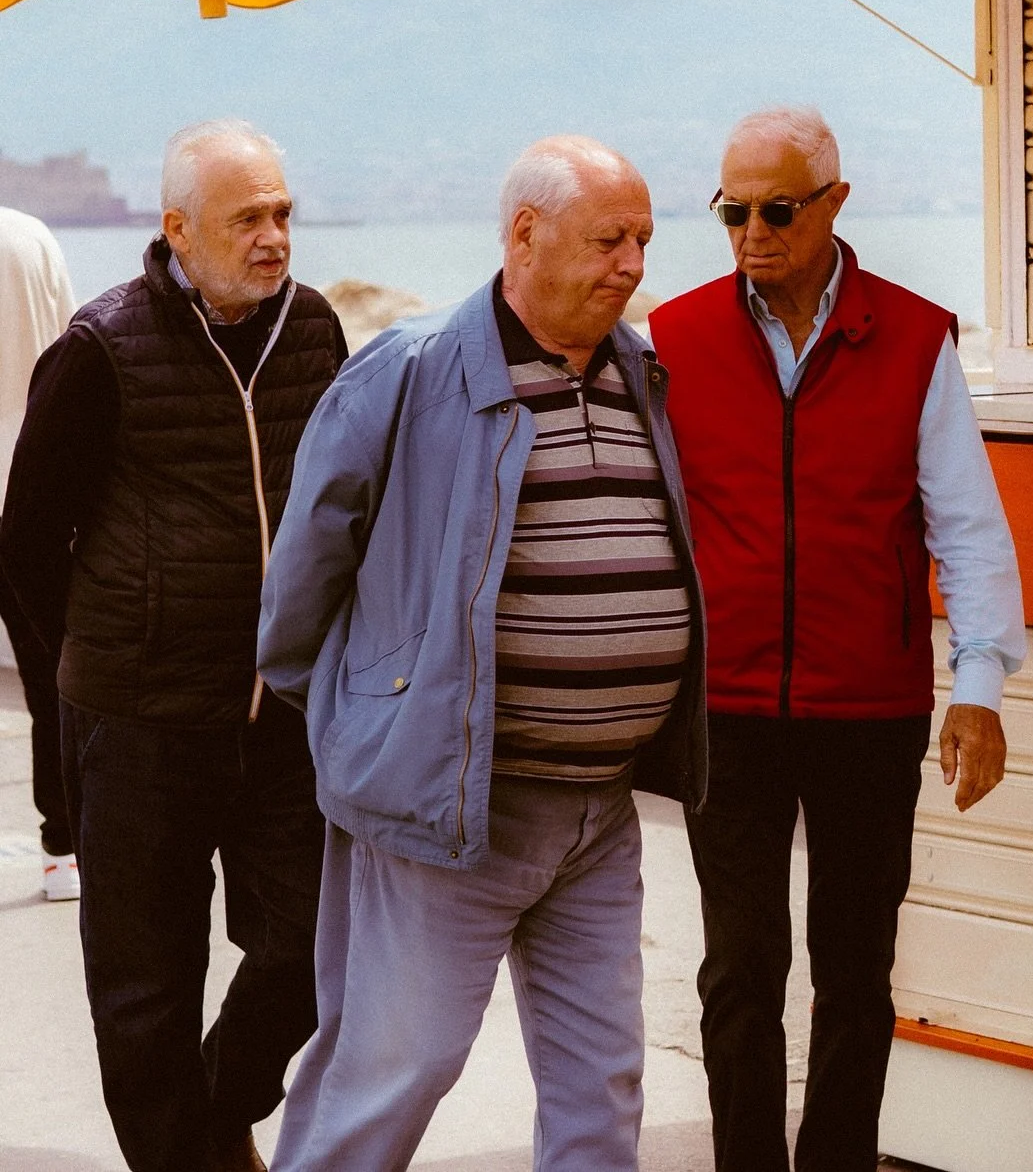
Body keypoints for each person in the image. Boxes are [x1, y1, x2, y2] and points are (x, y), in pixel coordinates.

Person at [257, 135, 706, 1172]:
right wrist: (370, 716)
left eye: (644, 237)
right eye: (609, 238)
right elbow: (300, 587)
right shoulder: (409, 371)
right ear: (524, 234)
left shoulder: (638, 369)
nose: (634, 262)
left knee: (603, 1083)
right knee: (390, 1074)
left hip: (600, 809)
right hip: (448, 805)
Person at [648, 106, 1026, 1172]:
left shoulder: (912, 338)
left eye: (775, 208)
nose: (751, 232)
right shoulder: (673, 339)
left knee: (855, 966)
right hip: (727, 712)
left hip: (871, 706)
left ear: (834, 202)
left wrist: (981, 684)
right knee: (738, 966)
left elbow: (967, 523)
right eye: (732, 211)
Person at [0, 120, 347, 1172]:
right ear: (178, 230)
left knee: (316, 945)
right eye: (248, 217)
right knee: (143, 993)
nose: (274, 236)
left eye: (283, 211)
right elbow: (24, 548)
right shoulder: (102, 348)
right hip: (138, 722)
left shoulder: (317, 330)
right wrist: (69, 731)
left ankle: (217, 1105)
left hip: (282, 715)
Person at [0, 204, 79, 900]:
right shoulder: (32, 235)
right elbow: (69, 352)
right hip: (28, 482)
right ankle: (61, 851)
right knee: (51, 678)